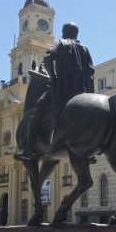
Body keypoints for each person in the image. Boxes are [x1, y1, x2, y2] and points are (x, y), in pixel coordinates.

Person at [15, 22, 95, 161]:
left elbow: (47, 58)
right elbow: (91, 73)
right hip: (81, 92)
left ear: (64, 32)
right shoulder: (85, 48)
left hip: (62, 90)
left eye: (63, 31)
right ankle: (91, 149)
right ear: (76, 34)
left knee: (36, 113)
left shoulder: (61, 44)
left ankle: (28, 148)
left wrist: (53, 78)